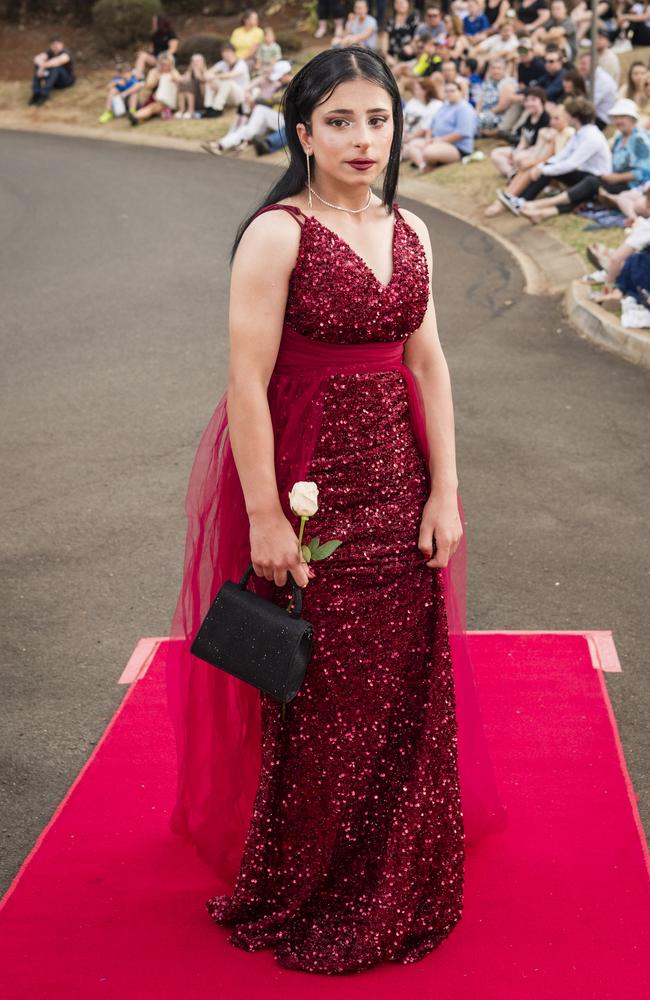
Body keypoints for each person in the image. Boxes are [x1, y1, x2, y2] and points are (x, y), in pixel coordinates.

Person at [163, 43, 507, 975]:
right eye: (342, 121)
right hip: (315, 485)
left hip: (400, 479)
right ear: (304, 132)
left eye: (379, 120)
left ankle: (403, 871)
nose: (364, 139)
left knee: (402, 677)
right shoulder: (277, 233)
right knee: (321, 689)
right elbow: (246, 380)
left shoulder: (413, 230)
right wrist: (268, 517)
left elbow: (428, 364)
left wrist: (448, 490)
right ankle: (315, 877)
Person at [518, 97, 650, 222]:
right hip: (611, 179)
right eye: (617, 117)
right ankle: (542, 212)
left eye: (623, 117)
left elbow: (643, 172)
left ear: (632, 119)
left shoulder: (639, 139)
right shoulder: (619, 138)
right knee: (586, 189)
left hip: (632, 186)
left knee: (591, 184)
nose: (619, 121)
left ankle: (540, 205)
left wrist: (614, 178)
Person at [498, 95, 612, 215]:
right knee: (547, 168)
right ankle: (519, 199)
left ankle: (522, 200)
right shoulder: (580, 133)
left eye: (566, 113)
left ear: (574, 116)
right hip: (585, 174)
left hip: (595, 178)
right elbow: (562, 155)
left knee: (549, 171)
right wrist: (541, 166)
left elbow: (571, 164)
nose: (565, 116)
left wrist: (543, 170)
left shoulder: (591, 136)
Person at [405, 76, 477, 170]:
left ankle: (427, 162)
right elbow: (431, 125)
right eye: (446, 91)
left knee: (429, 152)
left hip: (457, 146)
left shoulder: (465, 108)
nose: (449, 93)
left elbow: (461, 133)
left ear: (460, 92)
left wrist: (439, 140)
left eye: (452, 91)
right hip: (436, 140)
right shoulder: (445, 106)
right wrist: (428, 138)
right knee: (413, 145)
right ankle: (423, 166)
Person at [126, 51, 181, 126]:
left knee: (153, 108)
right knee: (152, 107)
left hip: (167, 101)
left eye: (167, 64)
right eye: (163, 64)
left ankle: (136, 116)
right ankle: (136, 118)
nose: (165, 66)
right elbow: (149, 85)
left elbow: (179, 81)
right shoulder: (154, 72)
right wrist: (158, 78)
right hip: (154, 98)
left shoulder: (173, 72)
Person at [203, 43, 251, 117]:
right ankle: (208, 108)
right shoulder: (222, 63)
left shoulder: (241, 63)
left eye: (228, 52)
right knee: (210, 83)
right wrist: (210, 78)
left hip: (241, 95)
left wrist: (215, 77)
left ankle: (217, 109)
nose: (226, 54)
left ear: (233, 53)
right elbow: (207, 73)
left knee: (227, 82)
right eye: (224, 52)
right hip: (227, 94)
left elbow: (231, 75)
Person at [29, 35, 75, 106]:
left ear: (61, 44)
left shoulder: (66, 53)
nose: (55, 46)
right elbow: (37, 58)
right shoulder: (50, 52)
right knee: (38, 66)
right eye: (53, 44)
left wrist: (42, 67)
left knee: (56, 67)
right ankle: (36, 93)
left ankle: (44, 94)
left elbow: (57, 61)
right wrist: (41, 66)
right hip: (54, 81)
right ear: (50, 45)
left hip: (66, 81)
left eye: (57, 44)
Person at [134, 14, 178, 79]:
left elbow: (173, 49)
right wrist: (144, 52)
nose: (153, 24)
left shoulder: (170, 33)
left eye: (154, 22)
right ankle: (137, 77)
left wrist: (162, 56)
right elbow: (152, 50)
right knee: (142, 55)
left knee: (146, 56)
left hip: (167, 58)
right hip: (155, 58)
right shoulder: (155, 35)